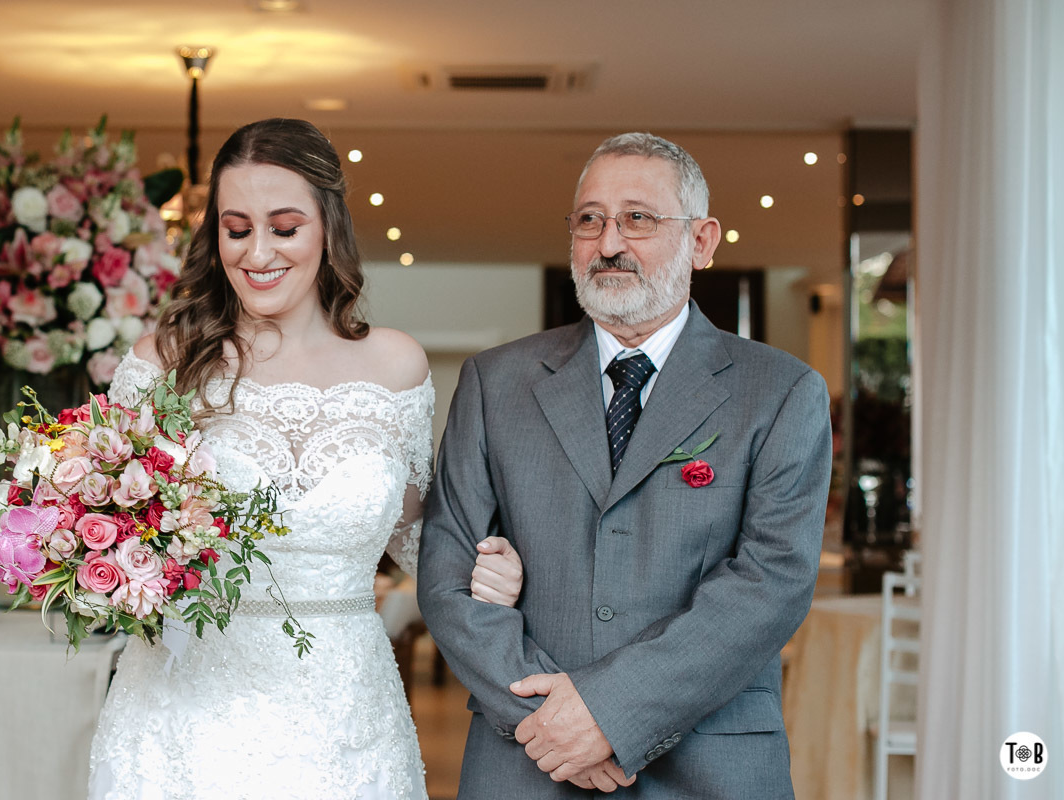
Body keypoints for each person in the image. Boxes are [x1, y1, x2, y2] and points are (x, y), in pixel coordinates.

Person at [88, 118, 521, 800]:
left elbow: (418, 538)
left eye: (284, 227)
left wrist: (486, 566)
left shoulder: (396, 366)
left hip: (345, 722)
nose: (257, 252)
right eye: (237, 228)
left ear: (328, 229)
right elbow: (107, 523)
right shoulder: (159, 365)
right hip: (181, 721)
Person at [417, 132, 832, 797]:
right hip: (527, 762)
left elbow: (771, 584)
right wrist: (552, 725)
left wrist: (607, 714)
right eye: (589, 220)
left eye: (637, 218)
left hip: (707, 768)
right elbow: (446, 573)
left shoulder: (781, 393)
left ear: (702, 241)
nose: (608, 242)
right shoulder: (496, 383)